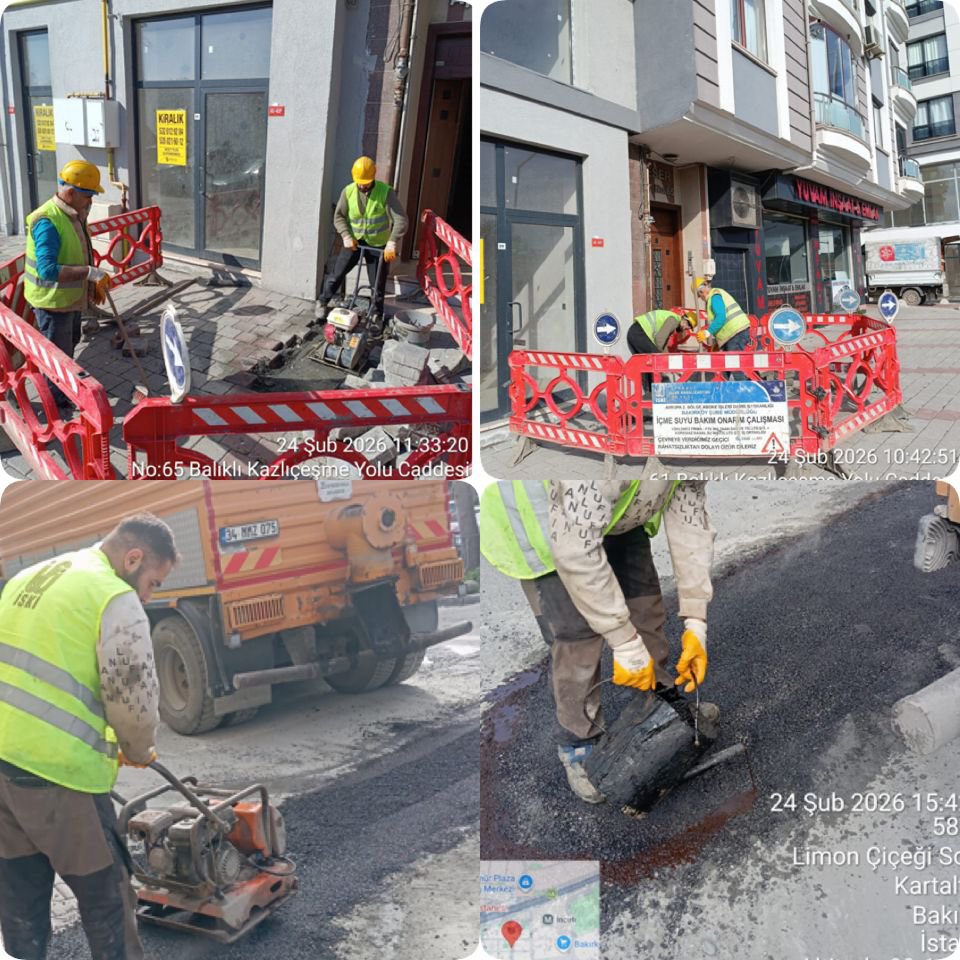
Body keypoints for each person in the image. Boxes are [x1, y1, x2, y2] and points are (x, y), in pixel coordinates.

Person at [0, 513, 179, 960]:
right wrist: (138, 749)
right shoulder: (112, 597)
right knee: (108, 899)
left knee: (19, 893)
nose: (148, 593)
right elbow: (133, 700)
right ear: (133, 557)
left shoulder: (30, 575)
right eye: (153, 582)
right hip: (59, 777)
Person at [481, 480, 716, 804]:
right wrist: (624, 643)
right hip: (543, 522)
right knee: (577, 635)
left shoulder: (690, 440)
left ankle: (660, 711)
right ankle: (579, 743)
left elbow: (689, 521)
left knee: (644, 606)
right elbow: (575, 552)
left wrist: (695, 621)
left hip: (618, 509)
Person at [23, 160, 111, 415]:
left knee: (71, 341)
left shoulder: (72, 212)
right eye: (88, 196)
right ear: (70, 192)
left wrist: (89, 284)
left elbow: (77, 250)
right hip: (52, 303)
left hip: (69, 298)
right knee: (57, 356)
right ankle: (56, 402)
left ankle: (62, 390)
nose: (91, 202)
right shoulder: (47, 221)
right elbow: (47, 270)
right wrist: (89, 273)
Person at [315, 156, 409, 328]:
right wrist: (345, 235)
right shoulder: (348, 191)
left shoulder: (385, 192)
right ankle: (322, 302)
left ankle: (377, 314)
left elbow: (401, 219)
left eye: (366, 182)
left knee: (377, 283)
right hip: (354, 243)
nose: (363, 185)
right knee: (337, 274)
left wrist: (392, 242)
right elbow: (339, 217)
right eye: (360, 182)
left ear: (373, 176)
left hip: (378, 245)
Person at [691, 276, 751, 352]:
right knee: (730, 362)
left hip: (735, 333)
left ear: (701, 292)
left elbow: (721, 317)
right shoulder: (716, 295)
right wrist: (719, 342)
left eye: (699, 296)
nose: (701, 299)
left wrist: (707, 332)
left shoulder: (714, 297)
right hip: (734, 333)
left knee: (733, 362)